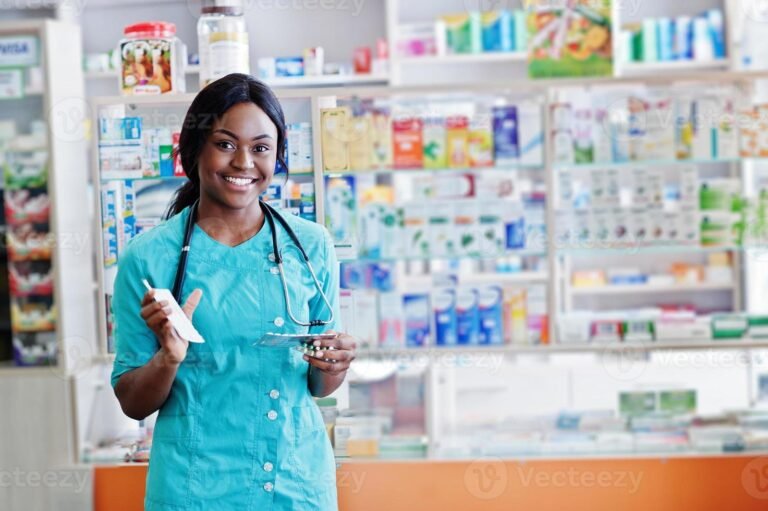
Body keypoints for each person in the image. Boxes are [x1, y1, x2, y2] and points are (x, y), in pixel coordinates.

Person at [110, 73, 356, 511]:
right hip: (194, 490)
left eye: (260, 148)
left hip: (294, 484)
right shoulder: (148, 259)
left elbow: (319, 385)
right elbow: (132, 401)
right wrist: (169, 357)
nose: (244, 162)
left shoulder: (311, 244)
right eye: (225, 144)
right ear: (194, 149)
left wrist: (334, 363)